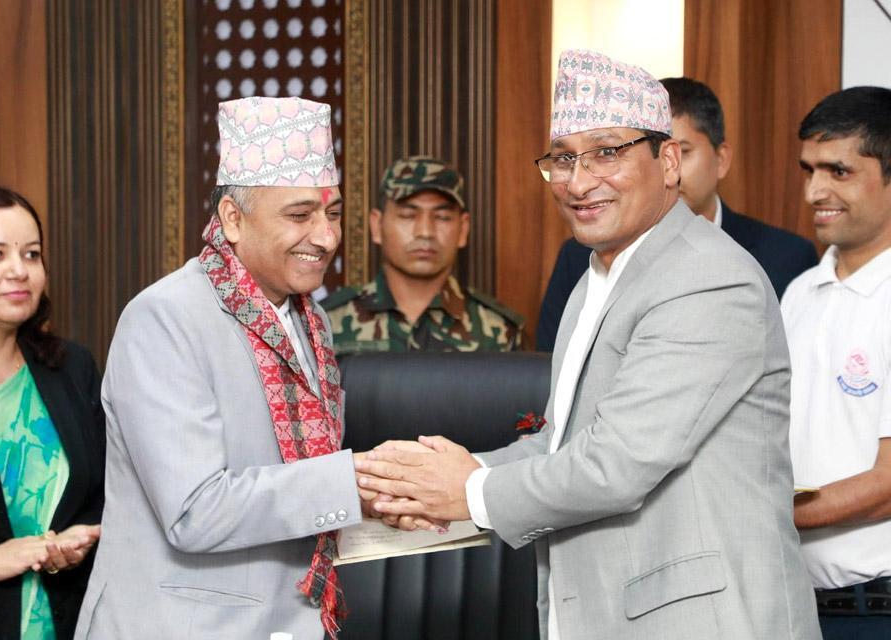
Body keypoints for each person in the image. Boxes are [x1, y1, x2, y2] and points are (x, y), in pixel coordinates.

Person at [355, 49, 821, 639]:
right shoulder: (595, 277)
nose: (578, 182)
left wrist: (467, 490)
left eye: (607, 153)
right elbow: (563, 443)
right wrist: (429, 480)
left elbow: (617, 464)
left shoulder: (707, 276)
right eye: (563, 158)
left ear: (668, 161)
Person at [74, 97, 368, 640]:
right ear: (233, 218)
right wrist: (356, 482)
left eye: (332, 214)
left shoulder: (313, 320)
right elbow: (195, 511)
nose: (326, 237)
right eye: (299, 215)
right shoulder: (164, 318)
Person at [0, 185, 104, 639]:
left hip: (68, 620)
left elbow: (105, 491)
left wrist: (79, 542)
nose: (19, 271)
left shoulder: (71, 368)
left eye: (31, 254)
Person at [536, 76, 819, 351]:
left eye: (684, 152)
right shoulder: (580, 257)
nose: (666, 170)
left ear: (721, 160)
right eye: (566, 159)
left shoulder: (784, 257)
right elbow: (550, 368)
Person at [783, 86, 891, 640]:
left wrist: (764, 513)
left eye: (839, 172)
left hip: (876, 612)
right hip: (792, 606)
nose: (814, 192)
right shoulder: (798, 292)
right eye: (809, 170)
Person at [322, 156, 523, 354]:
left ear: (463, 229)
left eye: (442, 217)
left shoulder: (499, 331)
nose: (425, 232)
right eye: (408, 216)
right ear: (377, 226)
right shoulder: (325, 323)